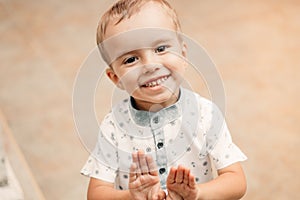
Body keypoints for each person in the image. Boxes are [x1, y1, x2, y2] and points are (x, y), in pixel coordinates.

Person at [81, 0, 247, 199]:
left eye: (160, 48)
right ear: (116, 78)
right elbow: (96, 194)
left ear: (183, 54)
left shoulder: (205, 114)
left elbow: (236, 181)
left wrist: (197, 193)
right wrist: (131, 196)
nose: (150, 65)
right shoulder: (114, 125)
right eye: (130, 59)